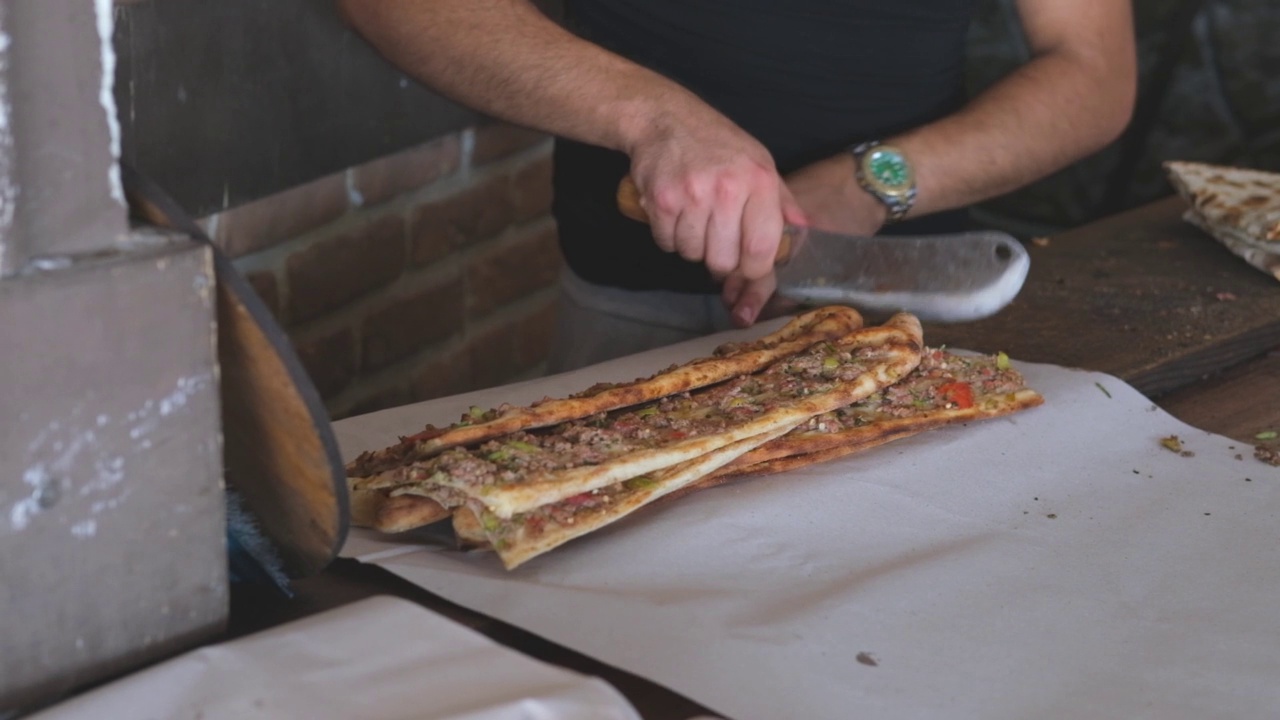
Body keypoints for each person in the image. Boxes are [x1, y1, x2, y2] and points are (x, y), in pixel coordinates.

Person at [338, 0, 1137, 371]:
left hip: (910, 311)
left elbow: (1092, 71)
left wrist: (869, 184)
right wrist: (655, 119)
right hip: (631, 317)